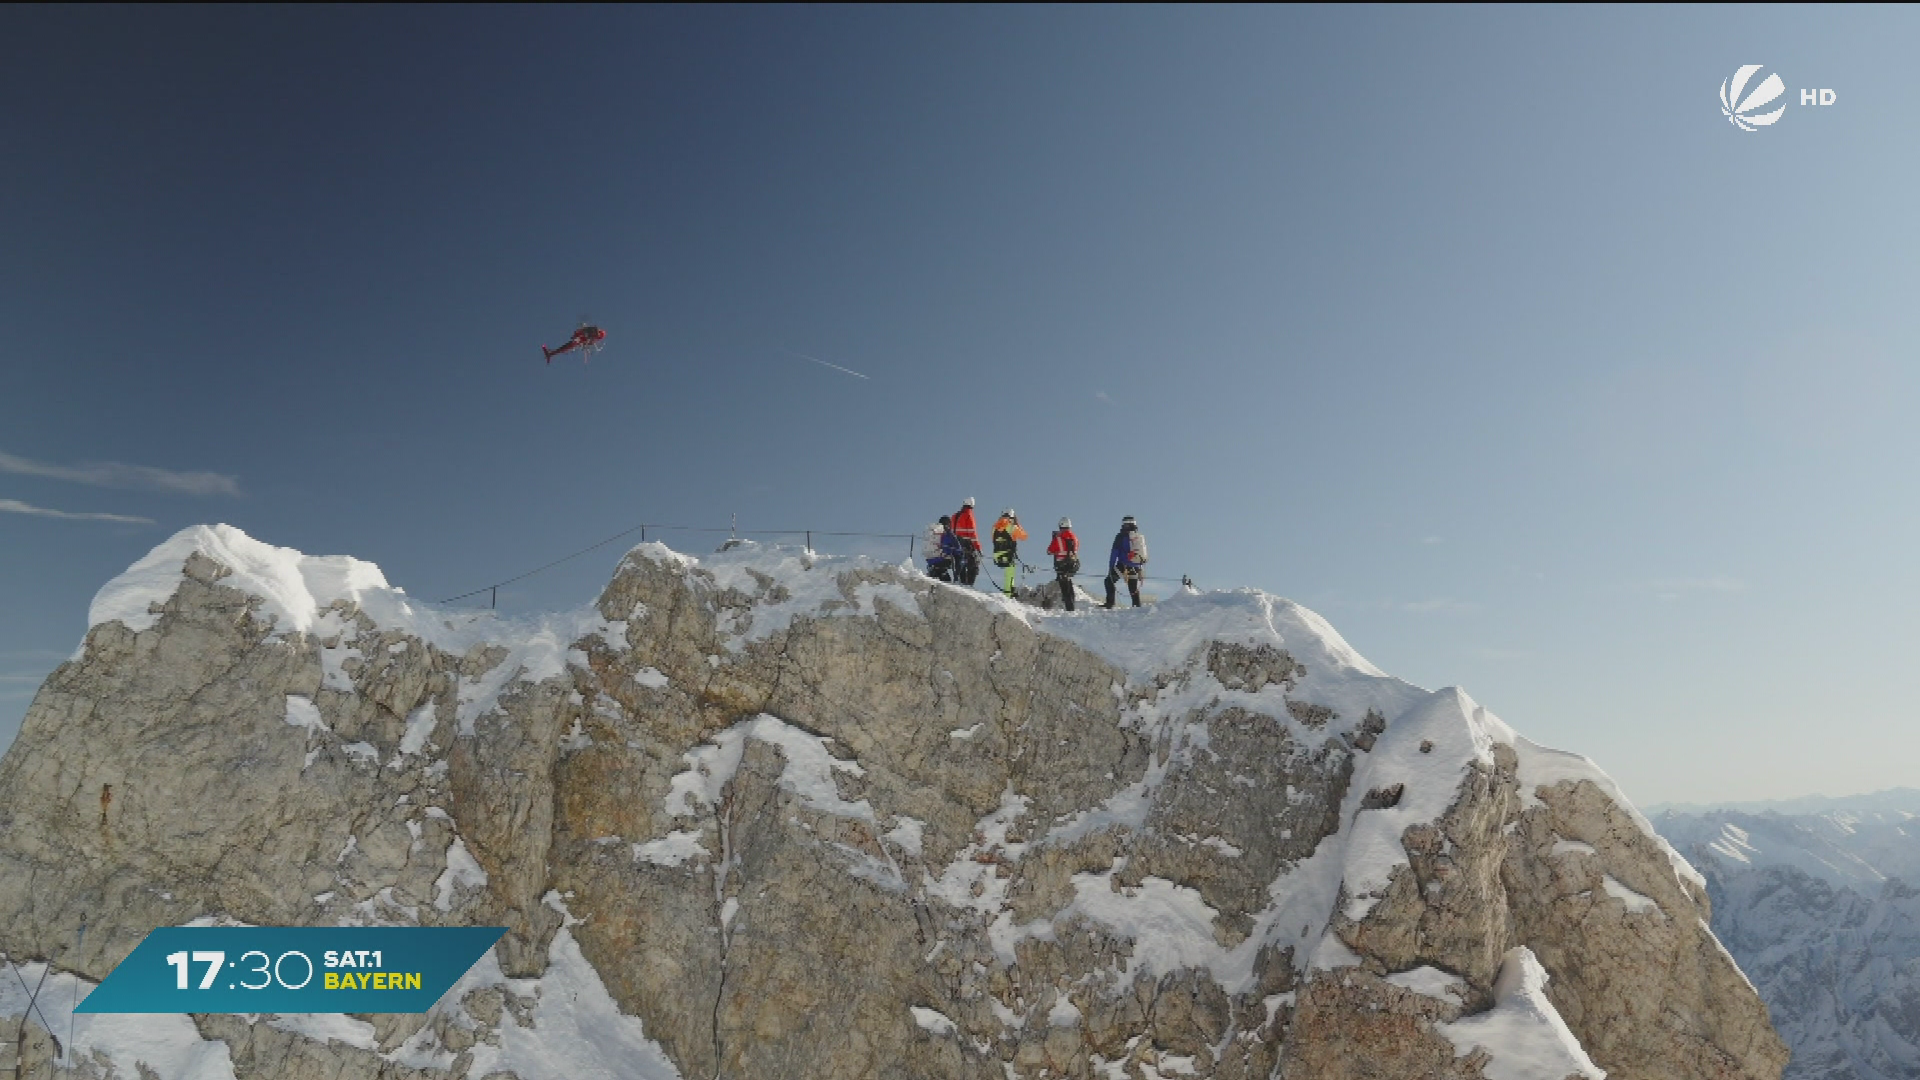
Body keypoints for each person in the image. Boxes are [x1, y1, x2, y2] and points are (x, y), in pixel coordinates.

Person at [1104, 516, 1147, 609]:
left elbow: (1114, 552)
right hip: (1136, 566)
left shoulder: (1120, 537)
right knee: (1133, 588)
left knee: (1109, 581)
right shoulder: (1138, 537)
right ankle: (1137, 607)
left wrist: (1111, 567)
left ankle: (1110, 604)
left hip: (1123, 565)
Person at [990, 509, 1028, 595]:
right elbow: (1024, 536)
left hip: (997, 555)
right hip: (1008, 554)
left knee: (1009, 571)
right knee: (1009, 573)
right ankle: (1008, 593)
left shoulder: (994, 527)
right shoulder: (1012, 527)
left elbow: (993, 539)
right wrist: (1018, 524)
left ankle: (1010, 590)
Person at [1047, 517, 1080, 611]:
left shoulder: (1058, 539)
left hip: (1062, 565)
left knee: (1064, 586)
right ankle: (1072, 604)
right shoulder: (1075, 537)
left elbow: (1049, 551)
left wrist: (1054, 539)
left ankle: (1069, 608)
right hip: (1074, 564)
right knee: (1068, 581)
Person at [951, 497, 981, 585]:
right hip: (967, 544)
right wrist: (978, 547)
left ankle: (961, 581)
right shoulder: (969, 515)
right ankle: (968, 585)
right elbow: (972, 533)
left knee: (960, 564)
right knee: (973, 565)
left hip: (956, 544)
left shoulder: (954, 516)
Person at [938, 516, 968, 582]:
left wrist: (951, 550)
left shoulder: (949, 534)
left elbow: (958, 548)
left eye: (944, 525)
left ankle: (956, 579)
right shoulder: (942, 534)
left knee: (956, 562)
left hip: (954, 557)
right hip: (944, 556)